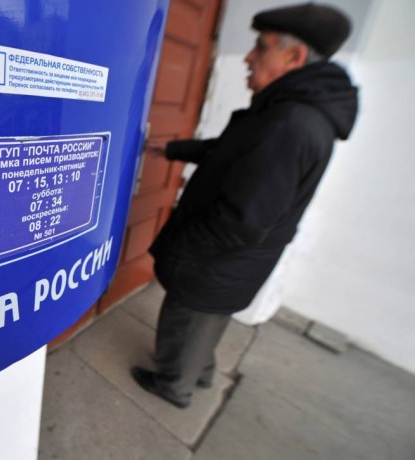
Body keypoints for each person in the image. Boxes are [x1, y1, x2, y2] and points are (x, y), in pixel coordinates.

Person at [132, 2, 359, 409]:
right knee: (206, 323)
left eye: (261, 47)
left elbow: (240, 222)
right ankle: (199, 371)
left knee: (186, 321)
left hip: (215, 263)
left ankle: (173, 386)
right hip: (233, 267)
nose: (248, 58)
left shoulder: (289, 123)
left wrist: (181, 252)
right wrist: (174, 150)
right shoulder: (292, 112)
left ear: (294, 57)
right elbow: (230, 151)